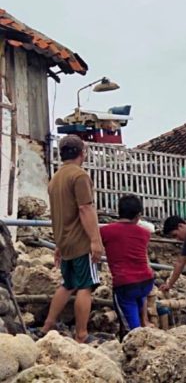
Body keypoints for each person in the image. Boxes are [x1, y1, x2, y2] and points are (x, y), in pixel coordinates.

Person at [40, 135, 103, 343]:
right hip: (80, 242)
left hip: (64, 241)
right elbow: (85, 208)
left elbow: (58, 213)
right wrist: (95, 240)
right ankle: (81, 334)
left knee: (67, 284)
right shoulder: (79, 176)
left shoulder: (55, 179)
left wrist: (58, 243)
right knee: (86, 286)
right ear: (81, 153)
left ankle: (47, 324)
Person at [100, 195, 155, 334]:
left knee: (131, 329)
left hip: (125, 284)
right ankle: (145, 322)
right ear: (138, 216)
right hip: (146, 280)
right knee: (138, 298)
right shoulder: (145, 233)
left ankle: (136, 341)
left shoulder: (106, 231)